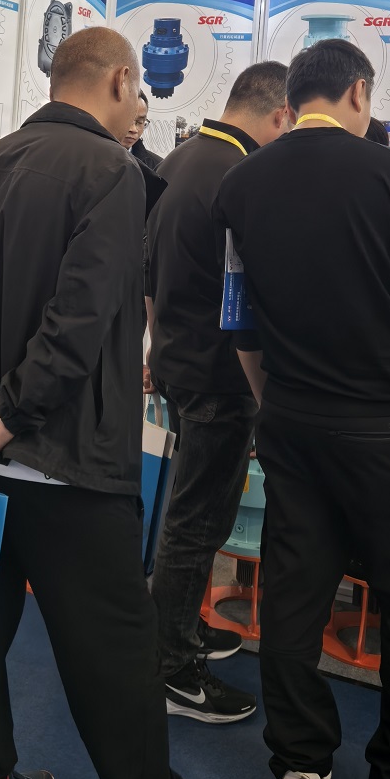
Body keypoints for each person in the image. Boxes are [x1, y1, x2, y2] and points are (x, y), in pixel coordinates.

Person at [0, 27, 265, 779]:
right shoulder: (112, 171)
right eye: (138, 90)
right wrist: (17, 405)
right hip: (65, 461)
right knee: (114, 649)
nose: (139, 104)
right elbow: (82, 314)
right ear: (119, 80)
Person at [214, 38, 390, 779]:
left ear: (293, 101)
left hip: (292, 424)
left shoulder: (241, 182)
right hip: (388, 425)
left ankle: (300, 767)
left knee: (293, 596)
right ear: (359, 93)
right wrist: (381, 364)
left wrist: (278, 404)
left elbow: (241, 324)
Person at [146, 61, 288, 723]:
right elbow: (253, 290)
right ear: (280, 114)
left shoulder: (179, 158)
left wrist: (157, 349)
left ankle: (181, 631)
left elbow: (149, 274)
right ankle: (173, 670)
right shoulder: (242, 175)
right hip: (220, 376)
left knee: (191, 514)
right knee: (197, 520)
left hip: (179, 360)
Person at [121, 90, 162, 171]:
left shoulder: (158, 167)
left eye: (139, 122)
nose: (133, 129)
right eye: (127, 121)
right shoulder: (94, 160)